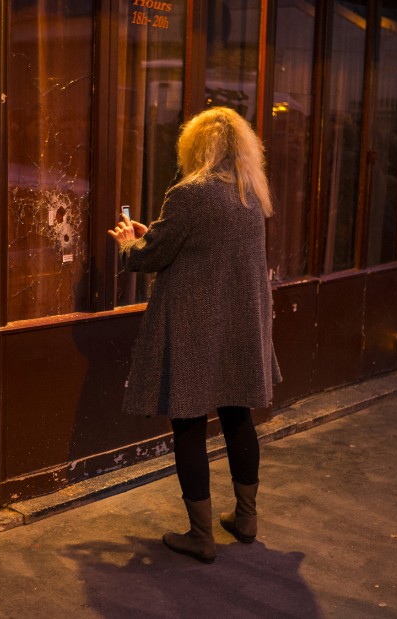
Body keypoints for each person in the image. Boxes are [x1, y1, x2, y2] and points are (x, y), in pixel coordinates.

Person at [107, 106, 282, 564]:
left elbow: (150, 256)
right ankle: (246, 518)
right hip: (238, 327)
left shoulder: (192, 193)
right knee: (236, 416)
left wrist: (130, 241)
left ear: (195, 145)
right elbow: (193, 244)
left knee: (187, 422)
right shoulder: (249, 194)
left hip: (194, 329)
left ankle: (200, 535)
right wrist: (156, 236)